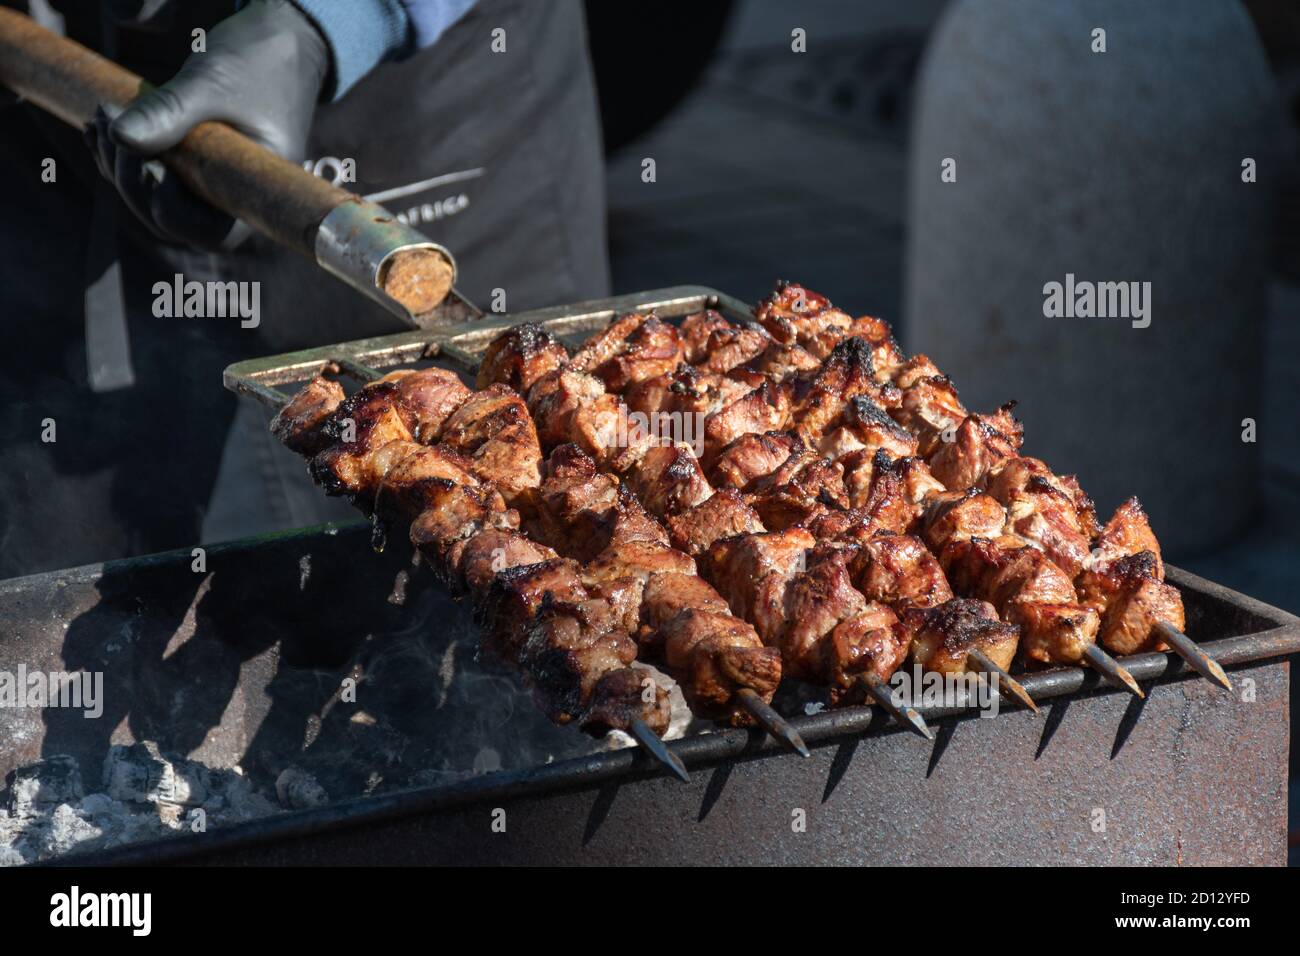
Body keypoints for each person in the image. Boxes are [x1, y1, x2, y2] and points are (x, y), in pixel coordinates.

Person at [0, 0, 610, 578]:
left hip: (423, 97)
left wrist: (331, 21)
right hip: (57, 121)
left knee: (524, 541)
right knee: (77, 602)